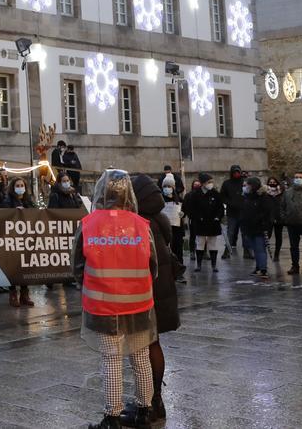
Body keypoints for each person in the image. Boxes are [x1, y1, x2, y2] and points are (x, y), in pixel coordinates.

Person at [73, 170, 157, 429]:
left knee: (111, 360)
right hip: (139, 303)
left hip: (103, 304)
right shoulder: (141, 224)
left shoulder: (88, 224)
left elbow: (77, 266)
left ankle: (112, 417)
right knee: (141, 357)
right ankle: (144, 410)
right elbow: (152, 265)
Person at [128, 174, 180, 425]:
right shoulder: (159, 218)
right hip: (163, 290)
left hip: (149, 291)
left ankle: (149, 402)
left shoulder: (139, 223)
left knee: (146, 346)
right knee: (153, 343)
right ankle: (154, 400)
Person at [182, 173, 223, 272]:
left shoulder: (215, 193)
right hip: (200, 223)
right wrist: (197, 217)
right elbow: (191, 209)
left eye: (211, 182)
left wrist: (218, 217)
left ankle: (214, 265)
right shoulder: (195, 194)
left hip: (213, 223)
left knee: (212, 244)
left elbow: (220, 208)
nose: (211, 184)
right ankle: (199, 265)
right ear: (203, 183)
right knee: (200, 243)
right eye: (209, 182)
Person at [6, 177, 36, 308]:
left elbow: (36, 212)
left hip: (26, 237)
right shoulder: (8, 200)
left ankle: (24, 293)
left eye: (21, 185)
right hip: (13, 237)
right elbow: (2, 213)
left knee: (26, 265)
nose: (20, 187)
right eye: (17, 185)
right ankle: (13, 293)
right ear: (13, 187)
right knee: (13, 265)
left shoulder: (28, 200)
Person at [239, 177, 274, 277]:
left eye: (248, 185)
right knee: (255, 249)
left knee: (260, 249)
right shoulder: (247, 197)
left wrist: (261, 222)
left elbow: (266, 213)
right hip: (249, 227)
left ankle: (263, 269)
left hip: (260, 228)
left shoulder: (264, 197)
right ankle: (258, 267)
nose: (246, 187)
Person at [219, 165, 246, 259]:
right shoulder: (227, 183)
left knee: (244, 233)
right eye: (234, 172)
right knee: (230, 232)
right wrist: (229, 203)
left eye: (238, 172)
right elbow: (222, 196)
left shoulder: (244, 183)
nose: (236, 174)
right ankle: (227, 251)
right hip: (232, 212)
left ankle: (247, 251)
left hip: (243, 212)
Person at [159, 175, 184, 265]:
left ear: (173, 188)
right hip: (164, 229)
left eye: (169, 186)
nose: (167, 188)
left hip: (177, 229)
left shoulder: (179, 200)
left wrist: (183, 214)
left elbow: (184, 211)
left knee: (177, 249)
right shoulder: (159, 199)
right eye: (165, 186)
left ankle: (178, 267)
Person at [264, 177, 286, 262]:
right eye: (270, 182)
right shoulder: (265, 193)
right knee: (267, 236)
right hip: (268, 218)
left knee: (278, 236)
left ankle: (277, 254)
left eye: (274, 182)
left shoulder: (281, 193)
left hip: (279, 218)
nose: (272, 183)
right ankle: (263, 252)